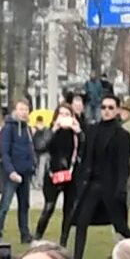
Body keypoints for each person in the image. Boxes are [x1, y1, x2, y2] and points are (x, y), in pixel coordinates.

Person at [66, 94, 130, 259]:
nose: (106, 111)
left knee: (121, 227)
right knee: (81, 222)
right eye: (104, 107)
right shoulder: (93, 131)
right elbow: (85, 156)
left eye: (111, 108)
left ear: (118, 110)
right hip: (92, 185)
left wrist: (121, 188)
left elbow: (123, 165)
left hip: (110, 188)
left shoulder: (122, 135)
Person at [35, 95, 83, 242]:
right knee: (48, 207)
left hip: (71, 174)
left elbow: (85, 149)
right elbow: (40, 146)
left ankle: (63, 240)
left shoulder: (75, 133)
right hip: (53, 173)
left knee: (69, 210)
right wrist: (54, 129)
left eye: (67, 115)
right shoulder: (49, 131)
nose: (64, 118)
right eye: (61, 114)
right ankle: (37, 236)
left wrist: (79, 132)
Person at [0, 97, 37, 244]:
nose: (23, 112)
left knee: (24, 206)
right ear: (15, 111)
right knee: (5, 204)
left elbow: (30, 149)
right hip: (11, 173)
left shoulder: (28, 129)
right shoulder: (8, 128)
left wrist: (32, 166)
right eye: (21, 109)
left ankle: (25, 234)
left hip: (25, 173)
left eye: (26, 109)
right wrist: (11, 172)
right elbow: (4, 153)